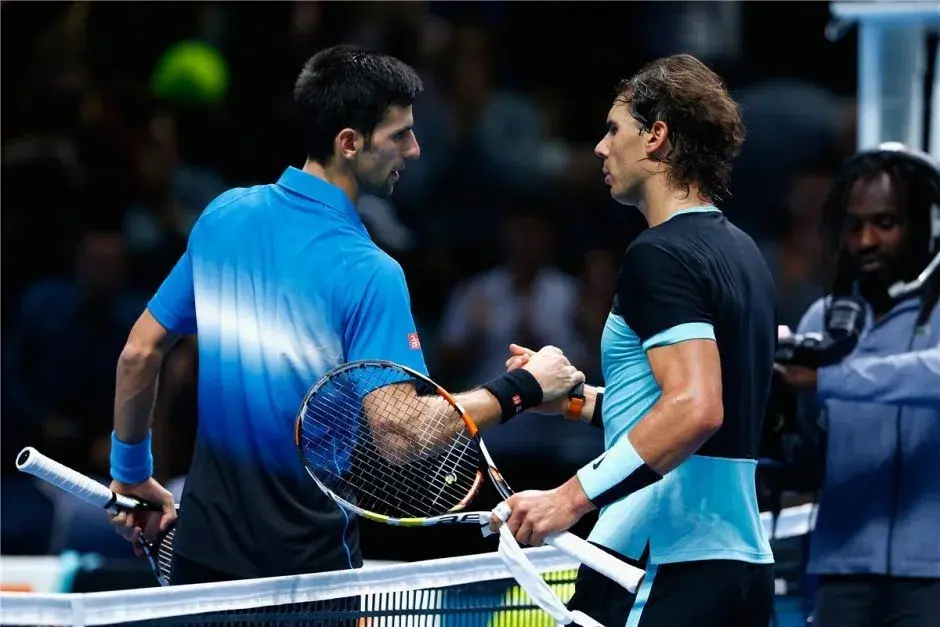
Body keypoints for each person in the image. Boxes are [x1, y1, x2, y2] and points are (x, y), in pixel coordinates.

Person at [107, 44, 584, 585]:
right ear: (349, 143)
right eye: (399, 135)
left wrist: (130, 474)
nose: (415, 150)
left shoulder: (223, 216)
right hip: (309, 578)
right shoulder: (368, 271)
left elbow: (139, 353)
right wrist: (523, 387)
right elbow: (401, 436)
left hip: (200, 562)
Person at [491, 54, 778, 626]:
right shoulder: (743, 252)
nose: (601, 148)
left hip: (658, 562)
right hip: (738, 567)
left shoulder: (660, 255)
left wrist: (567, 498)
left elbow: (696, 409)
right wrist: (576, 402)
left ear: (656, 137)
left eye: (613, 129)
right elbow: (700, 409)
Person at [776, 143, 940, 627]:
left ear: (924, 226)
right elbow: (804, 444)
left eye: (885, 223)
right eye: (854, 225)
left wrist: (829, 378)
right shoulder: (824, 321)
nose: (866, 240)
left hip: (932, 572)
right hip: (839, 568)